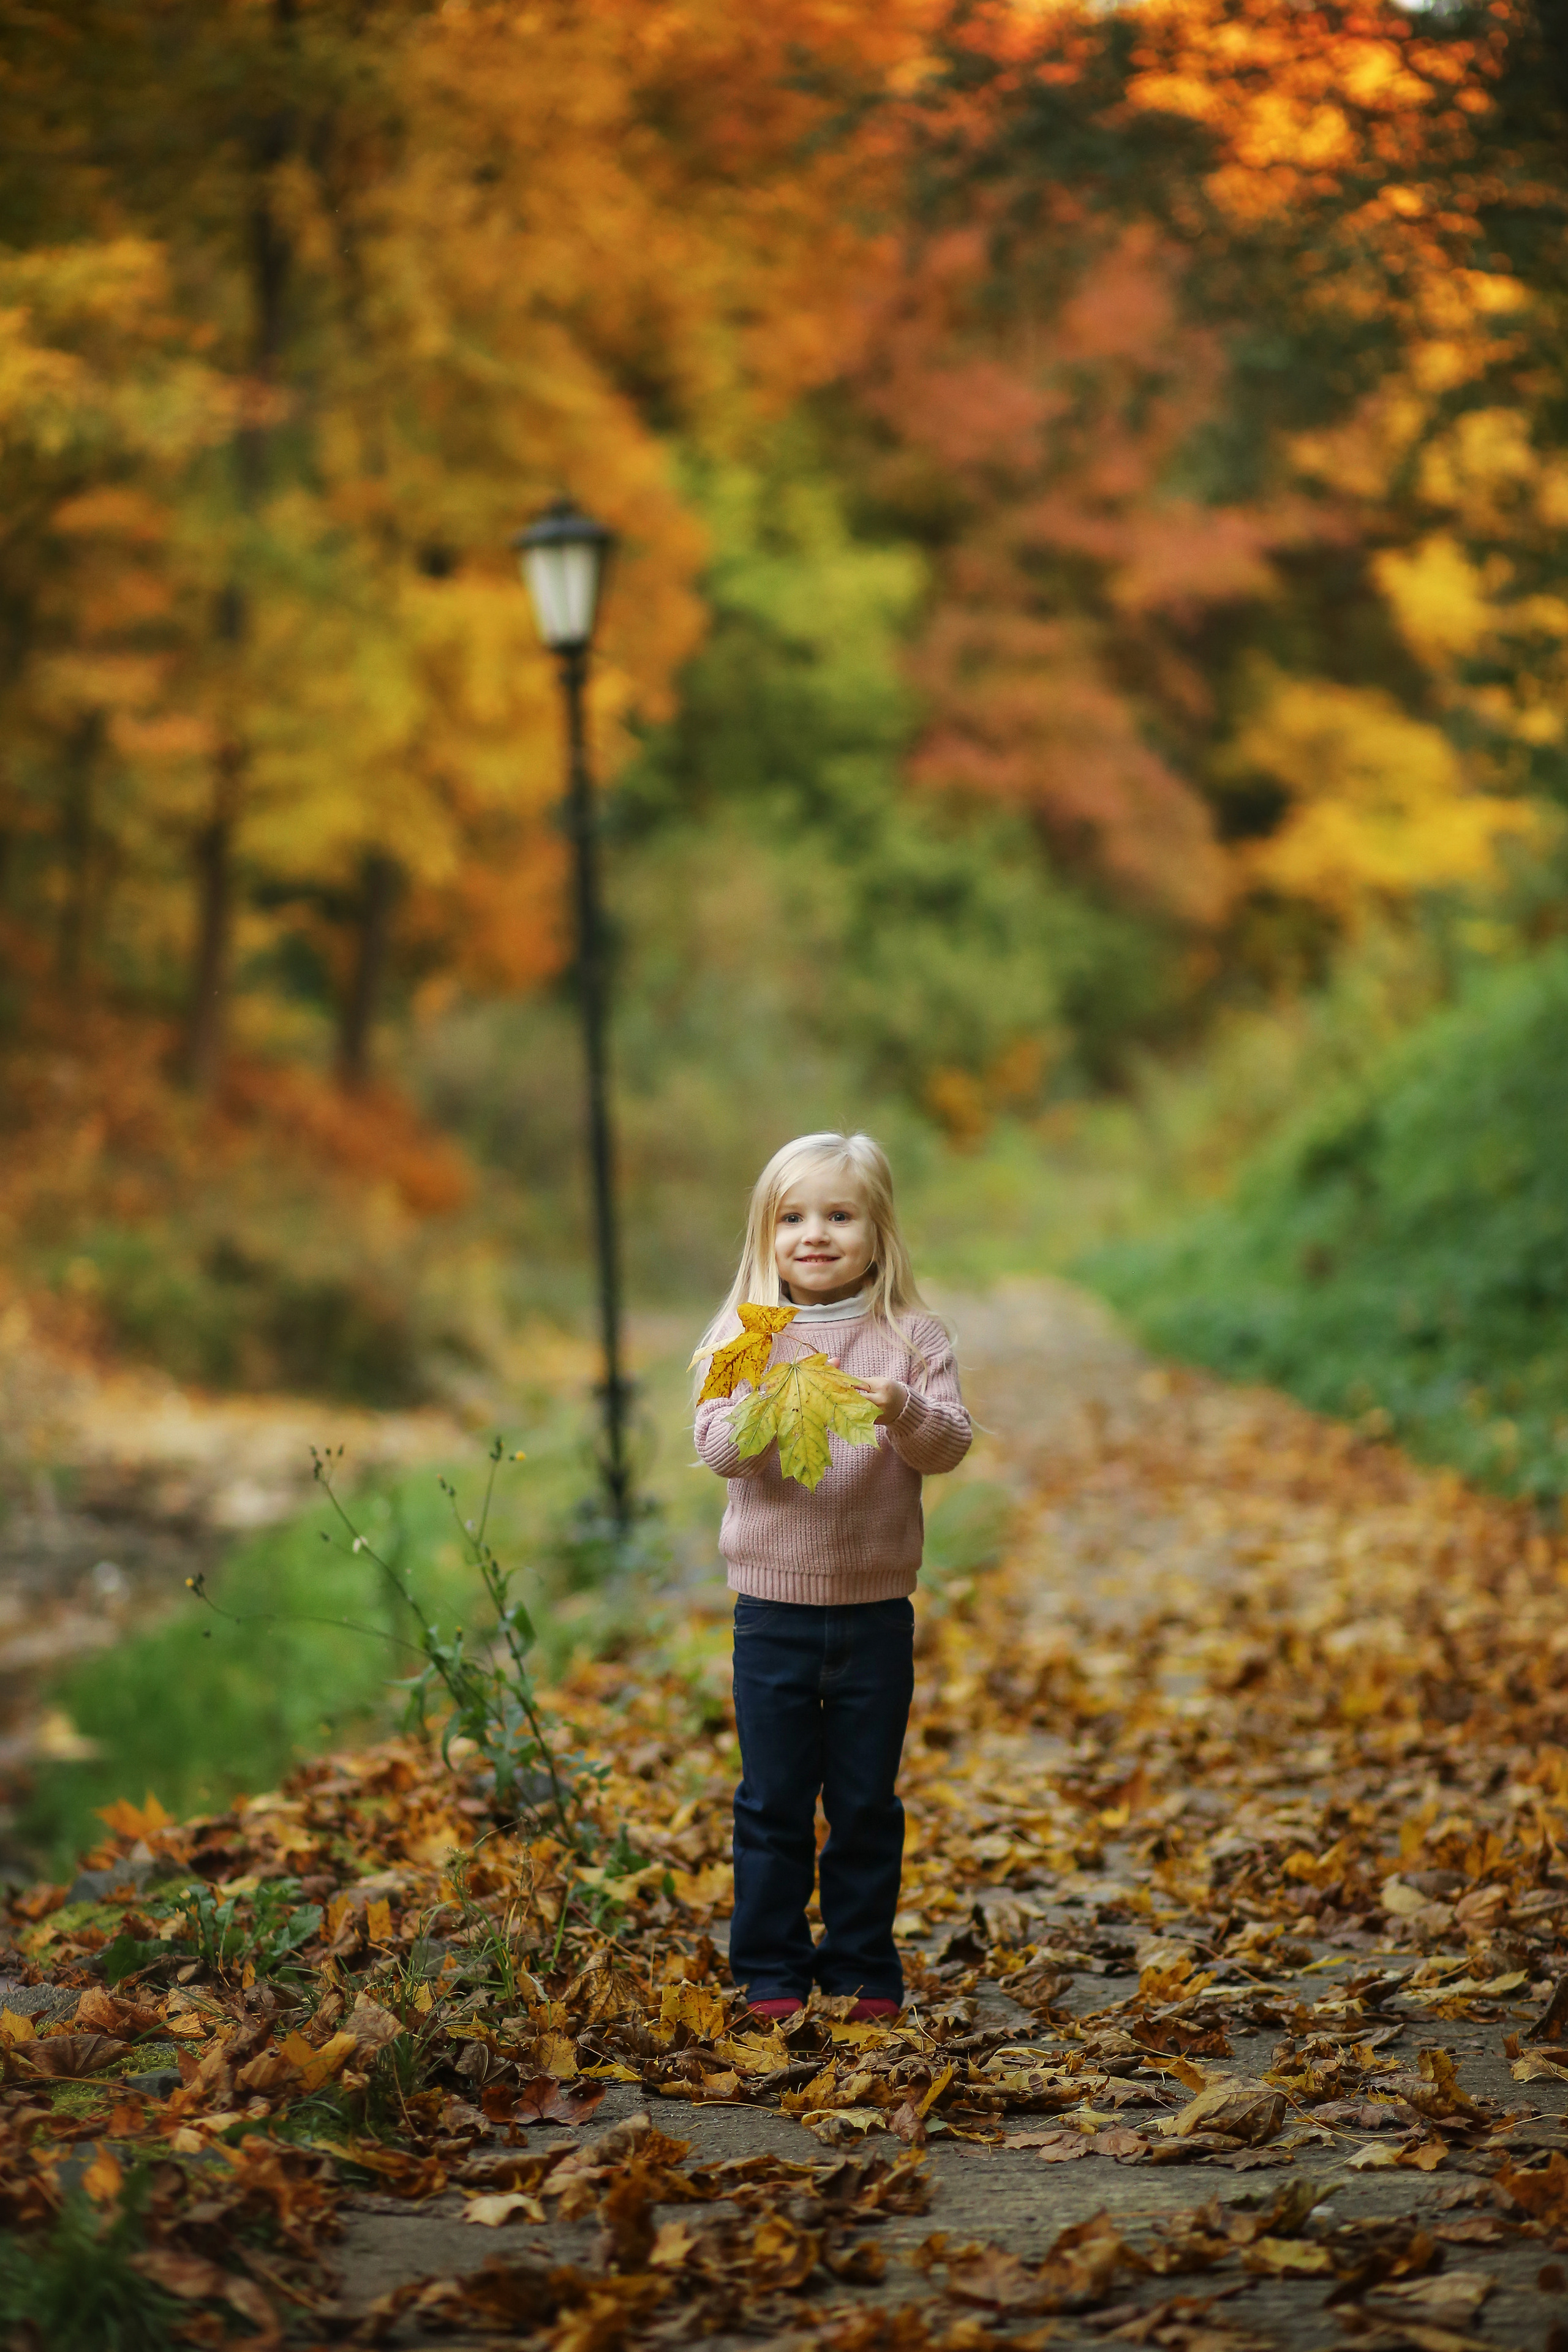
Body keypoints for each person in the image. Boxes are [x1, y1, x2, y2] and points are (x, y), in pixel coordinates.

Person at [692, 1130, 972, 2023]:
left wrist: (903, 1408)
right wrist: (771, 1404)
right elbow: (717, 1450)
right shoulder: (745, 1337)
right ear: (766, 1235)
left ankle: (861, 1969)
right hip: (771, 1613)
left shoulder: (912, 1338)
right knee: (773, 1801)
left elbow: (950, 1443)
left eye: (839, 1215)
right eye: (793, 1217)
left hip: (876, 1614)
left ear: (878, 1232)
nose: (815, 1234)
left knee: (863, 1804)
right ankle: (769, 1969)